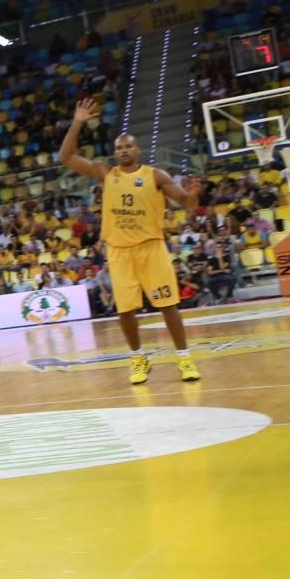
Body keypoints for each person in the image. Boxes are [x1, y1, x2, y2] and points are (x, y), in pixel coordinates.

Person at [59, 97, 203, 384]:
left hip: (151, 248)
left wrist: (193, 193)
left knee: (168, 305)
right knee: (125, 310)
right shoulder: (104, 172)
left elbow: (187, 205)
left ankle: (185, 358)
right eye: (119, 148)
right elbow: (66, 158)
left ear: (137, 149)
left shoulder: (156, 175)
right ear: (114, 153)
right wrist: (77, 123)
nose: (123, 150)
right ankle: (138, 358)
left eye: (128, 146)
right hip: (120, 251)